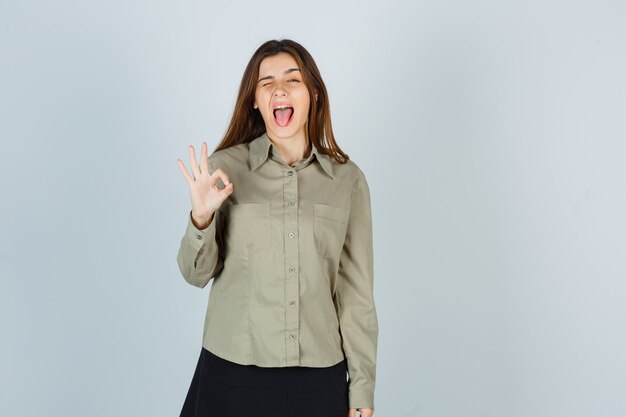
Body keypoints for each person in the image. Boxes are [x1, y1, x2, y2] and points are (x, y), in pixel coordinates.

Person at [175, 38, 378, 417]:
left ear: (313, 93)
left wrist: (362, 389)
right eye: (266, 82)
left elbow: (356, 296)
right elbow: (194, 274)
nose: (279, 89)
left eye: (292, 80)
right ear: (254, 100)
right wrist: (200, 219)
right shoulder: (223, 169)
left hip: (318, 380)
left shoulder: (347, 181)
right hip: (232, 375)